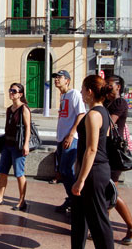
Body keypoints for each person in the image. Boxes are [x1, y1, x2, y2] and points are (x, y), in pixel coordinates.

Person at [71, 75, 114, 249]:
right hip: (93, 169)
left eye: (82, 89)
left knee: (98, 221)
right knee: (79, 218)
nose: (81, 93)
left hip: (93, 173)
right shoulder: (104, 112)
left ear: (89, 91)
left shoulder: (94, 115)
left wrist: (81, 179)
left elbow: (92, 149)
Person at [104, 75, 132, 245]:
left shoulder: (119, 103)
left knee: (111, 192)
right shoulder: (106, 102)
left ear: (118, 87)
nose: (107, 88)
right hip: (106, 151)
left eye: (110, 86)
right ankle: (103, 227)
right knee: (105, 193)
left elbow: (107, 123)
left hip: (114, 154)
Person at [0, 83, 30, 211]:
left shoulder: (24, 109)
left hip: (18, 146)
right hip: (7, 145)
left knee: (19, 174)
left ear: (20, 94)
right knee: (3, 172)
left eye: (14, 91)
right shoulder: (9, 109)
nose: (11, 93)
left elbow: (27, 128)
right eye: (10, 90)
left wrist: (26, 144)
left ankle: (22, 201)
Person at [52, 70, 86, 213]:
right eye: (55, 78)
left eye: (59, 77)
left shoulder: (74, 94)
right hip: (62, 138)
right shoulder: (63, 95)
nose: (56, 80)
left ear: (67, 80)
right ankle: (72, 199)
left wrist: (71, 134)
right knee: (62, 171)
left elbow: (81, 114)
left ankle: (77, 202)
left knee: (67, 170)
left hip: (71, 139)